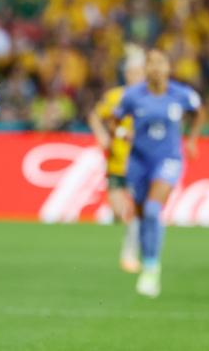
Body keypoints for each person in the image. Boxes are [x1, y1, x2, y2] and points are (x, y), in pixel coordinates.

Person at [113, 49, 204, 297]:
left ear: (168, 68)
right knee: (143, 215)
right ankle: (147, 258)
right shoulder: (133, 95)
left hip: (168, 160)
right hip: (138, 161)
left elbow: (198, 111)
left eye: (160, 63)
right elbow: (115, 119)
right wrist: (122, 134)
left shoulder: (180, 94)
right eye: (150, 63)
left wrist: (192, 139)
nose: (155, 68)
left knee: (153, 210)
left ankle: (152, 268)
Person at [88, 43, 145, 273]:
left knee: (132, 212)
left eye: (139, 72)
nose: (135, 76)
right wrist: (102, 134)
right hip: (115, 162)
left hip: (137, 163)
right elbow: (94, 115)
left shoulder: (148, 98)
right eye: (132, 72)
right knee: (118, 211)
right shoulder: (115, 96)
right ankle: (131, 243)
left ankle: (129, 254)